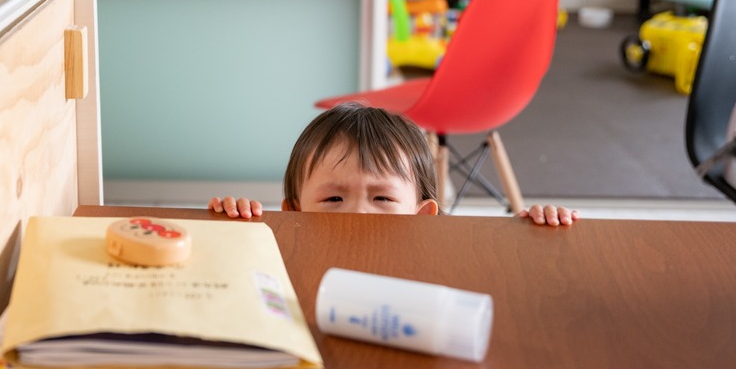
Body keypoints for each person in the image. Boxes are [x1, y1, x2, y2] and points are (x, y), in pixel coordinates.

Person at [208, 103, 579, 226]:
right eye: (333, 199)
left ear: (423, 216)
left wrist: (535, 237)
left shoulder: (439, 268)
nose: (358, 215)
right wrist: (233, 229)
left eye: (382, 199)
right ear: (293, 212)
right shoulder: (285, 262)